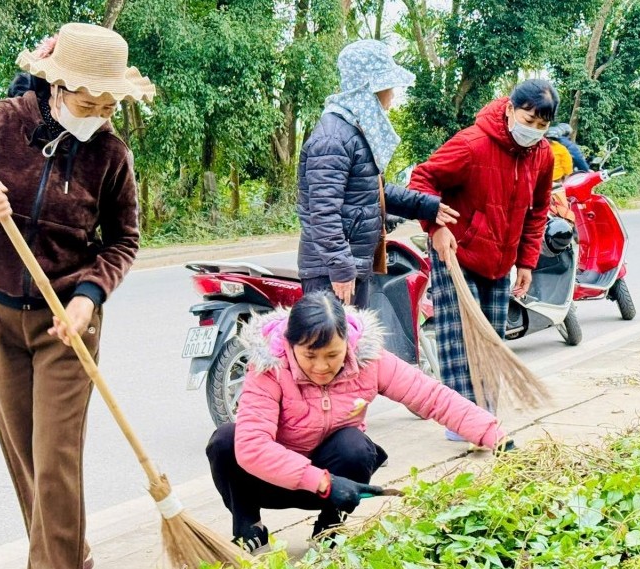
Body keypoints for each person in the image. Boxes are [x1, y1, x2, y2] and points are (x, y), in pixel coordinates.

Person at [0, 22, 155, 569]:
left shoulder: (111, 155)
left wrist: (90, 296)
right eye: (87, 101)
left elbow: (124, 240)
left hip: (68, 322)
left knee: (56, 459)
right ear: (55, 84)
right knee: (25, 458)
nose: (97, 114)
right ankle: (71, 558)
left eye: (107, 105)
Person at [205, 292, 508, 552]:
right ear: (289, 345)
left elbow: (432, 397)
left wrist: (494, 435)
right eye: (309, 356)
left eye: (332, 355)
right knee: (226, 441)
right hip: (276, 480)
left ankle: (329, 527)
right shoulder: (269, 369)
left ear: (347, 344)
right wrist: (322, 481)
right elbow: (253, 447)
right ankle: (248, 526)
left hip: (339, 483)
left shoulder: (368, 361)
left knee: (356, 446)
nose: (321, 367)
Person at [408, 79, 558, 440]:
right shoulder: (472, 143)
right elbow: (422, 179)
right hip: (456, 252)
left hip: (499, 258)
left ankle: (484, 417)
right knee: (461, 337)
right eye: (528, 119)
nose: (534, 130)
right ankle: (461, 423)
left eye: (542, 125)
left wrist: (526, 262)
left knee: (491, 338)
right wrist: (436, 226)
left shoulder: (543, 155)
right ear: (510, 109)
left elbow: (537, 211)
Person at [297, 40, 458, 308]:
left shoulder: (352, 131)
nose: (392, 94)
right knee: (332, 348)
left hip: (350, 264)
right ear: (370, 87)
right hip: (330, 271)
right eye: (388, 86)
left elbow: (376, 191)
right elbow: (323, 211)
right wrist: (340, 267)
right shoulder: (334, 138)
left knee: (354, 347)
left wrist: (425, 206)